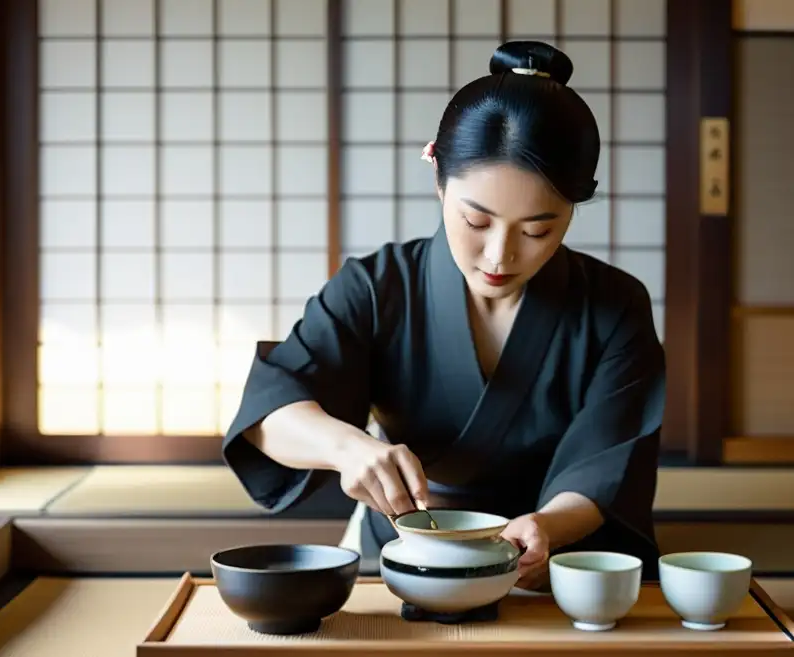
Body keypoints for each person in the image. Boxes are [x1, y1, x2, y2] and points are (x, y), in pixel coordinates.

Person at [222, 40, 666, 591]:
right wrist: (347, 448)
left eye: (537, 230)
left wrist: (547, 525)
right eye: (476, 222)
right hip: (410, 546)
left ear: (574, 208)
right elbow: (269, 409)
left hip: (555, 554)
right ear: (436, 172)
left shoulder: (614, 305)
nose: (501, 255)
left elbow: (608, 461)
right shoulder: (377, 287)